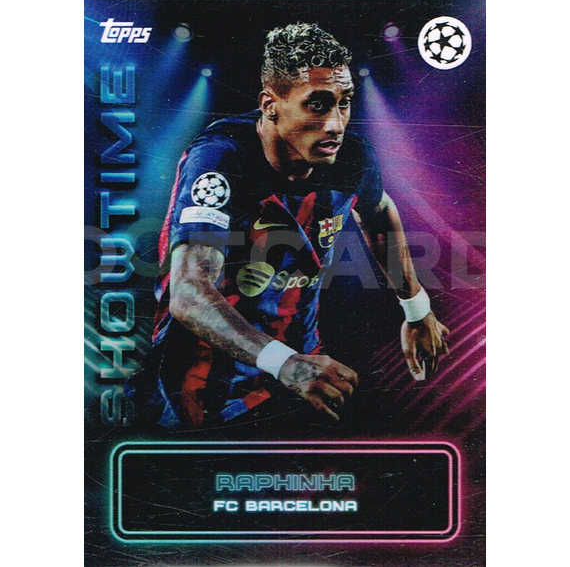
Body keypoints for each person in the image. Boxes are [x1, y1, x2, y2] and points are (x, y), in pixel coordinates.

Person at [125, 22, 449, 430]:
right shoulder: (220, 159)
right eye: (318, 105)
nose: (336, 124)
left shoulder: (350, 157)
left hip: (301, 375)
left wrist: (416, 308)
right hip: (199, 388)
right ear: (270, 105)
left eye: (344, 103)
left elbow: (379, 210)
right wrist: (286, 363)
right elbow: (189, 294)